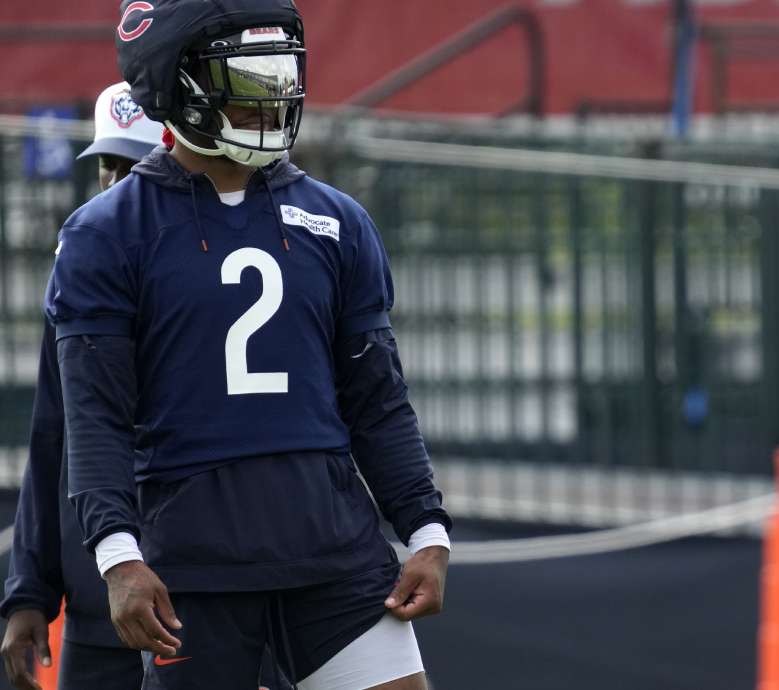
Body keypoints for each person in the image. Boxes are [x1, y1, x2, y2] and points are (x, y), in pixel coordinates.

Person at [47, 1, 451, 689]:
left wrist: (427, 531)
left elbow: (378, 400)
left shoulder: (337, 220)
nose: (273, 96)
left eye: (280, 74)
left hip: (333, 551)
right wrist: (117, 556)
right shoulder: (104, 233)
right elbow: (96, 418)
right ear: (176, 81)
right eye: (249, 77)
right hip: (194, 567)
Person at [1, 80, 163, 690]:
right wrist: (29, 590)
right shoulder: (77, 269)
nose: (116, 185)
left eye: (136, 169)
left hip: (202, 603)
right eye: (108, 167)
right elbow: (52, 432)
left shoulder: (206, 276)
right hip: (98, 606)